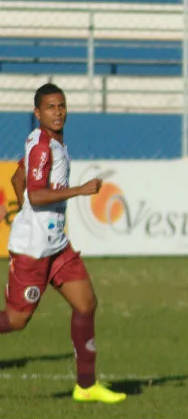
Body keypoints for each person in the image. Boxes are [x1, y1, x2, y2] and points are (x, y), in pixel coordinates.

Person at [2, 83, 126, 403]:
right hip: (33, 250)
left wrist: (30, 214)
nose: (57, 112)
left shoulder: (50, 142)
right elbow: (36, 193)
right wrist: (80, 190)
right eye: (50, 108)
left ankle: (86, 386)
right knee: (16, 321)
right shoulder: (43, 146)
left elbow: (18, 178)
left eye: (61, 106)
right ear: (37, 113)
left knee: (86, 304)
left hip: (57, 245)